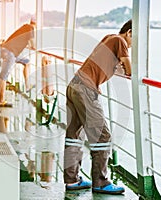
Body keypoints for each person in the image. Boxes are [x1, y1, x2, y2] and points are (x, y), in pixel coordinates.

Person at [64, 19, 132, 195]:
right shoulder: (120, 41)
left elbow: (113, 67)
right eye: (135, 41)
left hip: (75, 85)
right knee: (103, 136)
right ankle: (100, 182)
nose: (132, 47)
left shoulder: (109, 38)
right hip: (86, 89)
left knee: (74, 135)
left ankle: (72, 180)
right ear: (130, 32)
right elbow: (130, 69)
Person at [0, 18, 36, 105]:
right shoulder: (31, 28)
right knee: (3, 77)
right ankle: (1, 101)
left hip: (8, 50)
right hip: (10, 52)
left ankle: (27, 86)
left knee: (27, 62)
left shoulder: (24, 27)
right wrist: (34, 47)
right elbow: (32, 43)